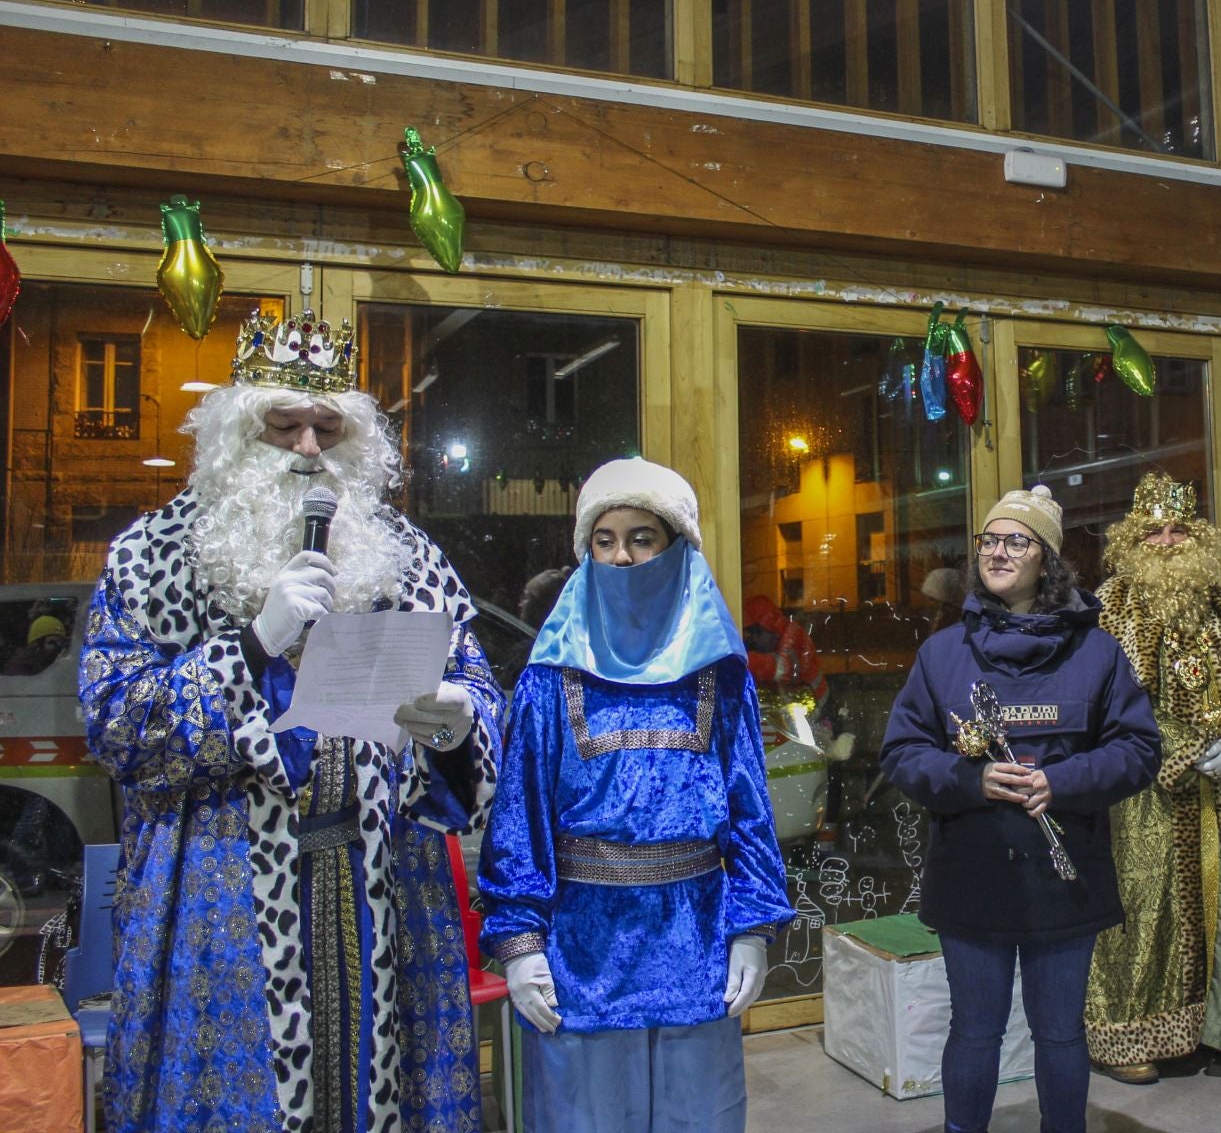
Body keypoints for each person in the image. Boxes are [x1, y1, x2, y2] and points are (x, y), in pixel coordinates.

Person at [76, 308, 504, 1132]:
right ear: (242, 434)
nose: (310, 448)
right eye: (286, 426)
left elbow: (476, 688)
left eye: (327, 428)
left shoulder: (405, 556)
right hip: (219, 894)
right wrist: (252, 645)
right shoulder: (152, 554)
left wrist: (456, 722)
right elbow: (117, 726)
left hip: (385, 888)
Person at [480, 457, 793, 1132]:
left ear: (677, 548)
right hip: (580, 949)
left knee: (696, 1116)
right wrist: (521, 941)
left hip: (694, 939)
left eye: (642, 538)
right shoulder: (550, 679)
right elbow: (519, 821)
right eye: (604, 539)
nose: (622, 557)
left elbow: (750, 813)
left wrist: (753, 928)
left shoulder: (718, 678)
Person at [881, 484, 1160, 1133]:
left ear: (1048, 560)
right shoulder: (942, 654)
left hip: (1065, 876)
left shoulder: (1097, 653)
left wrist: (1059, 781)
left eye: (1017, 540)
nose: (998, 552)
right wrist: (970, 781)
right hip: (972, 873)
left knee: (1060, 1033)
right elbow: (901, 753)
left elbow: (1139, 749)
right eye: (990, 540)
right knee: (974, 1032)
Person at [1085, 473, 1221, 1083]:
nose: (1168, 542)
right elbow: (1106, 703)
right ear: (1134, 541)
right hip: (1146, 795)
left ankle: (1218, 1024)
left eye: (1179, 530)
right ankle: (1127, 1036)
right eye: (1155, 532)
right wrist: (1184, 749)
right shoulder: (1111, 606)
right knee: (1147, 906)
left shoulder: (1216, 605)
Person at [742, 594, 828, 706]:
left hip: (817, 706)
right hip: (800, 705)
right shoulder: (780, 638)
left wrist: (740, 662)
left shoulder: (793, 637)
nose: (753, 640)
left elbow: (782, 668)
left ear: (768, 626)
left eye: (755, 633)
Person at [3, 613, 67, 675]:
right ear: (37, 646)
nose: (57, 647)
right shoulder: (20, 672)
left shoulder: (65, 667)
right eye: (51, 642)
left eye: (60, 642)